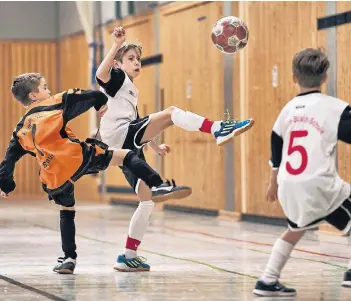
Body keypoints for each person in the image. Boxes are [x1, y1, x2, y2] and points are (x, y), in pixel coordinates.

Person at [95, 26, 255, 272]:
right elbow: (100, 73)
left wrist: (155, 146)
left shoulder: (128, 91)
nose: (137, 63)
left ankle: (128, 255)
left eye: (138, 59)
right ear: (119, 64)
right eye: (131, 59)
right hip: (119, 138)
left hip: (122, 146)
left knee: (146, 201)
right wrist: (116, 45)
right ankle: (217, 128)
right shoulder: (117, 79)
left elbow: (138, 125)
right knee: (171, 113)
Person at [0, 73, 191, 274]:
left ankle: (69, 258)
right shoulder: (54, 103)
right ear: (34, 95)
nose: (48, 90)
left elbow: (9, 159)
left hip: (54, 174)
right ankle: (157, 184)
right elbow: (89, 96)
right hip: (76, 156)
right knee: (125, 155)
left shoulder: (20, 129)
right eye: (44, 87)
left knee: (67, 210)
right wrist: (100, 104)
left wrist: (5, 184)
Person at [253, 48, 351, 297]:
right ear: (325, 77)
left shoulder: (287, 111)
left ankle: (267, 280)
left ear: (294, 78)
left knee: (296, 229)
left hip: (289, 184)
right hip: (319, 183)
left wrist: (272, 183)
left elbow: (276, 148)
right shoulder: (335, 108)